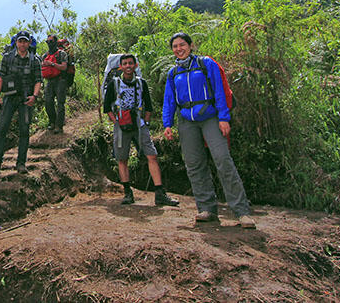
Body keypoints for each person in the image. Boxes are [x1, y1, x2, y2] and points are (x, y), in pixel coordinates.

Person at [162, 32, 256, 229]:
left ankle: (242, 212)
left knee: (223, 159)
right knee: (194, 164)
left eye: (182, 45)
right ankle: (206, 209)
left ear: (191, 45)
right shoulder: (173, 73)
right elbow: (169, 99)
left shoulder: (206, 64)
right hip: (187, 121)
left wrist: (224, 117)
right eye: (175, 46)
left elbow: (220, 89)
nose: (179, 49)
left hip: (211, 117)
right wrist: (167, 124)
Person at [103, 54, 179, 207]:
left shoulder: (141, 83)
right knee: (122, 159)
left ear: (135, 65)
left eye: (131, 63)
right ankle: (127, 193)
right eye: (125, 64)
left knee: (152, 156)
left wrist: (147, 122)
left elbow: (148, 106)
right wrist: (116, 122)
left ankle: (159, 193)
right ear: (120, 67)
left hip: (140, 125)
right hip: (121, 127)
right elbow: (106, 107)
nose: (128, 66)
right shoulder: (114, 84)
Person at [0, 30, 42, 177]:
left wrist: (34, 96)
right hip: (9, 97)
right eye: (20, 41)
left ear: (29, 43)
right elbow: (1, 76)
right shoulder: (7, 58)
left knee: (24, 131)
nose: (22, 44)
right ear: (16, 42)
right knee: (2, 128)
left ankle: (21, 164)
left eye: (25, 41)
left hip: (26, 99)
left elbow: (38, 80)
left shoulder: (35, 60)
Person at [41, 35, 69, 133]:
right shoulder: (45, 56)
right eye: (47, 41)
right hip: (49, 81)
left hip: (60, 80)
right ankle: (52, 122)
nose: (49, 43)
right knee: (48, 102)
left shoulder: (62, 54)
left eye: (51, 41)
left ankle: (59, 125)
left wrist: (52, 64)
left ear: (56, 42)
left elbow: (64, 67)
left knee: (60, 103)